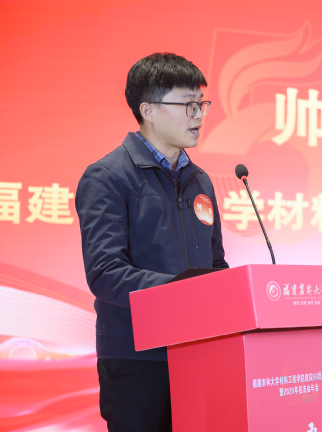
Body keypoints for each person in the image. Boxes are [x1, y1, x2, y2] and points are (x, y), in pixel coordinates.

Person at [75, 52, 229, 431]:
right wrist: (183, 291)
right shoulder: (108, 177)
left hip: (198, 352)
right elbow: (106, 273)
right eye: (188, 104)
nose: (199, 115)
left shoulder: (200, 180)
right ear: (149, 111)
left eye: (202, 104)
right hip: (137, 359)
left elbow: (216, 264)